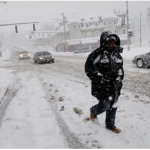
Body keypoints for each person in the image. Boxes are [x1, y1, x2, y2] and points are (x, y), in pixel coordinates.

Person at [85, 31, 124, 133]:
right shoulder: (96, 55)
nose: (111, 44)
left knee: (114, 105)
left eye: (113, 42)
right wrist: (100, 79)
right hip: (102, 86)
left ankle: (110, 125)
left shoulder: (118, 55)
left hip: (115, 85)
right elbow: (89, 69)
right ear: (104, 42)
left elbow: (120, 69)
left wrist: (120, 79)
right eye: (109, 42)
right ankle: (93, 111)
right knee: (105, 105)